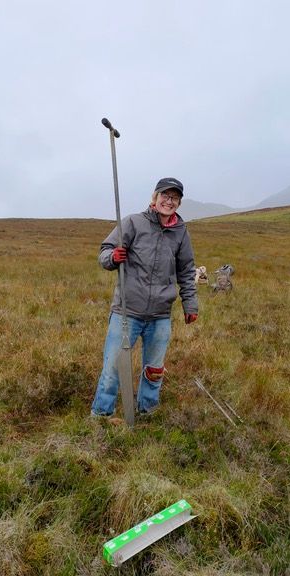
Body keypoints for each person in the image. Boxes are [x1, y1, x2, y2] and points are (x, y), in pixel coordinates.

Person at [91, 177, 198, 417]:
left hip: (160, 314)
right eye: (165, 196)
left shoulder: (181, 232)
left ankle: (147, 412)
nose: (169, 201)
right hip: (127, 311)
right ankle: (101, 415)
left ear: (179, 203)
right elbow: (105, 251)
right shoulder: (133, 223)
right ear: (155, 197)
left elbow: (186, 270)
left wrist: (190, 305)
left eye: (174, 198)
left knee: (154, 369)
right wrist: (112, 258)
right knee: (113, 367)